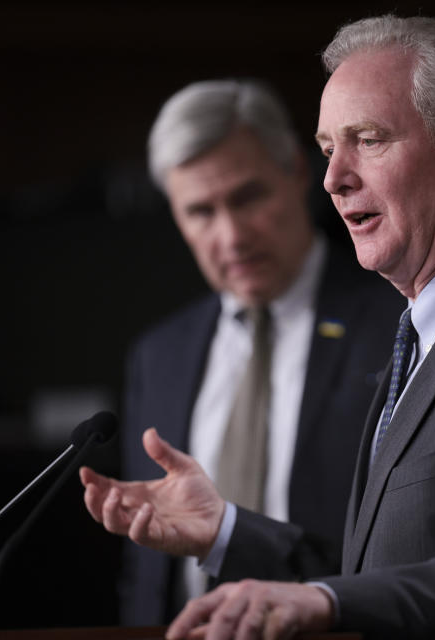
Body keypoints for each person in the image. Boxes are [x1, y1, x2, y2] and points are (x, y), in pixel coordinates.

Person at [81, 16, 435, 639]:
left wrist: (329, 606)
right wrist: (228, 533)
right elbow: (379, 574)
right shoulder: (427, 327)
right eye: (330, 148)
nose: (334, 179)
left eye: (370, 139)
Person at [114, 79, 403, 625]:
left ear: (297, 172)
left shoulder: (397, 323)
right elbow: (145, 570)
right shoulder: (159, 355)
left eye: (248, 197)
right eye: (201, 211)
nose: (232, 236)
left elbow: (411, 554)